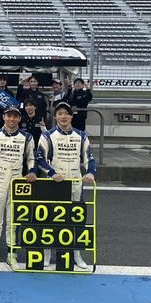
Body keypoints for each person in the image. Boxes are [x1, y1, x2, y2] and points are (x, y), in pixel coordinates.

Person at [36, 102, 97, 269]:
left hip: (75, 182)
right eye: (60, 113)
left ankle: (76, 254)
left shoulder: (81, 136)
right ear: (55, 117)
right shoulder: (47, 136)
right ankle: (47, 254)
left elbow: (89, 158)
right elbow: (40, 158)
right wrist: (51, 173)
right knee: (50, 219)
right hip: (55, 182)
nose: (63, 116)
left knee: (76, 220)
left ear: (71, 116)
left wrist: (91, 172)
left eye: (66, 113)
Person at [0, 106, 36, 266]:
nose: (12, 119)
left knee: (14, 218)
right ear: (4, 117)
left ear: (19, 118)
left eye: (15, 116)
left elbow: (31, 158)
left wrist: (32, 171)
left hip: (17, 179)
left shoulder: (27, 137)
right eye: (9, 116)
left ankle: (12, 253)